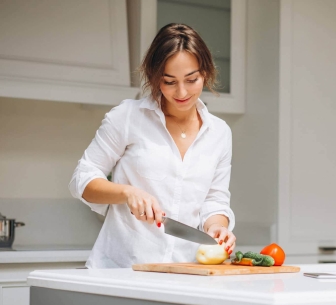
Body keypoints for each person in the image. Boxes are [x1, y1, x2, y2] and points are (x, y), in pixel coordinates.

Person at [69, 23, 236, 268]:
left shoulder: (219, 132)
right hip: (121, 270)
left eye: (191, 79)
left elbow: (215, 200)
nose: (181, 92)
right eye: (169, 81)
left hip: (184, 273)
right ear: (155, 77)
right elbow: (81, 180)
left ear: (206, 73)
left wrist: (218, 228)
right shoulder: (127, 117)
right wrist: (128, 192)